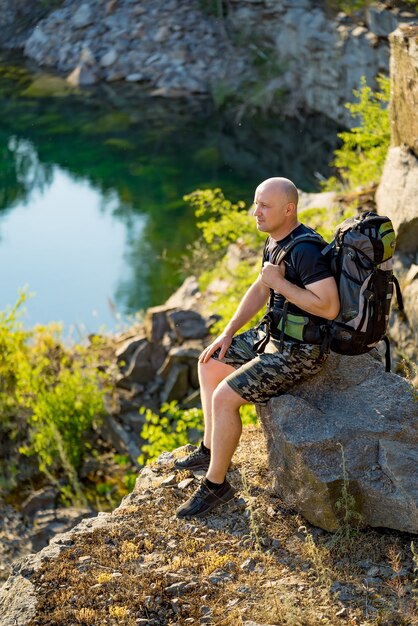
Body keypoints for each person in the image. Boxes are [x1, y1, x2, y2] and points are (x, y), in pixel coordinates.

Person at [174, 177, 340, 518]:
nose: (256, 212)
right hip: (274, 338)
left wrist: (279, 282)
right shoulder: (276, 240)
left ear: (288, 209)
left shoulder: (305, 251)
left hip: (300, 353)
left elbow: (329, 307)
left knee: (224, 396)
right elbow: (260, 288)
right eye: (256, 203)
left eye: (264, 205)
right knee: (210, 363)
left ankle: (216, 487)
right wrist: (228, 332)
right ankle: (209, 447)